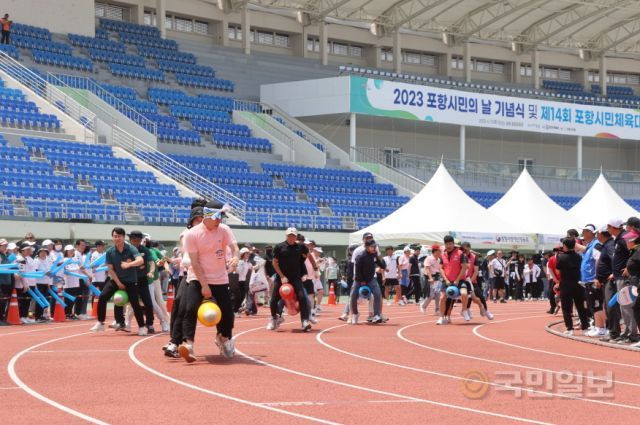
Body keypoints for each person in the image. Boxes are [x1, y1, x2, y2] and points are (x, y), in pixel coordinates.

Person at [176, 202, 239, 362]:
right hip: (197, 277)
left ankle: (223, 338)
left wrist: (235, 257)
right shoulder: (192, 234)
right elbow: (195, 263)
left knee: (227, 313)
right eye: (218, 217)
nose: (220, 221)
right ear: (209, 215)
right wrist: (204, 285)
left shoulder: (224, 230)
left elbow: (235, 247)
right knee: (190, 309)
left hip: (220, 278)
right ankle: (188, 344)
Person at [90, 227, 147, 335]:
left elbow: (140, 260)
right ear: (112, 238)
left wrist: (129, 264)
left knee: (135, 303)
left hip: (131, 281)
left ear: (123, 237)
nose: (117, 238)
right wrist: (118, 283)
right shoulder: (110, 252)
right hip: (117, 280)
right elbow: (110, 269)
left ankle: (142, 327)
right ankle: (100, 323)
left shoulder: (131, 249)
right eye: (115, 236)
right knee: (102, 296)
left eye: (119, 236)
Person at [267, 227, 315, 332]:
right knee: (274, 299)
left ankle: (304, 321)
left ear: (296, 236)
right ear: (286, 236)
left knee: (302, 297)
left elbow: (309, 257)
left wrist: (315, 268)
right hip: (281, 278)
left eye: (293, 235)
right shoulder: (279, 247)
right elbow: (274, 262)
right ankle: (274, 319)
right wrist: (282, 276)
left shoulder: (301, 247)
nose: (291, 237)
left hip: (295, 278)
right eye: (289, 235)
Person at [601, 218, 629, 342]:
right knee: (623, 307)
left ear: (614, 227)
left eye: (609, 227)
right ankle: (624, 333)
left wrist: (628, 267)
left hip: (622, 277)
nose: (607, 229)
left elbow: (633, 253)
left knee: (625, 307)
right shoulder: (617, 239)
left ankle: (628, 334)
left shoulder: (622, 239)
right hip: (618, 276)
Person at [555, 237, 590, 335]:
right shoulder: (579, 256)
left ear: (564, 246)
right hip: (578, 284)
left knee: (566, 307)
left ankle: (569, 329)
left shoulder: (560, 257)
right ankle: (585, 327)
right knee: (580, 306)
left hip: (565, 284)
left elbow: (558, 270)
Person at [351, 239, 385, 324]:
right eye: (372, 246)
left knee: (377, 295)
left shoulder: (374, 255)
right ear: (366, 247)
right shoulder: (360, 256)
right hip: (359, 279)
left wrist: (382, 263)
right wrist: (362, 281)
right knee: (353, 296)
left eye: (375, 246)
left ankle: (376, 315)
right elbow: (357, 270)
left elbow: (380, 263)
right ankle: (355, 314)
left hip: (371, 279)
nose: (374, 248)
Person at [438, 236, 469, 325]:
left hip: (459, 280)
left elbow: (463, 268)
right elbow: (441, 269)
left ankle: (464, 310)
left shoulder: (460, 253)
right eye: (447, 244)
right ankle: (442, 317)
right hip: (447, 280)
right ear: (445, 244)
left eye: (450, 244)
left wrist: (457, 280)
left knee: (464, 293)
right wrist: (446, 280)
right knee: (442, 298)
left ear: (453, 243)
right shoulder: (442, 254)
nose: (449, 246)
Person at [623, 233, 640, 348]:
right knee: (636, 308)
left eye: (626, 240)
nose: (625, 242)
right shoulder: (635, 251)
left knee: (636, 308)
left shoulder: (638, 251)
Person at [419, 244, 442, 314]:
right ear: (435, 251)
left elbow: (439, 269)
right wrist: (430, 278)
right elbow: (427, 269)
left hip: (437, 277)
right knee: (431, 295)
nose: (440, 252)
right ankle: (423, 306)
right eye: (439, 251)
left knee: (438, 294)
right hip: (429, 277)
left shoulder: (438, 259)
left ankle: (437, 309)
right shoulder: (429, 258)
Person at [0, 239, 13, 326]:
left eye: (6, 245)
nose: (5, 247)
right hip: (1, 281)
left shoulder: (6, 255)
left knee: (5, 300)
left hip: (7, 281)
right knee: (1, 300)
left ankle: (3, 318)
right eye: (3, 245)